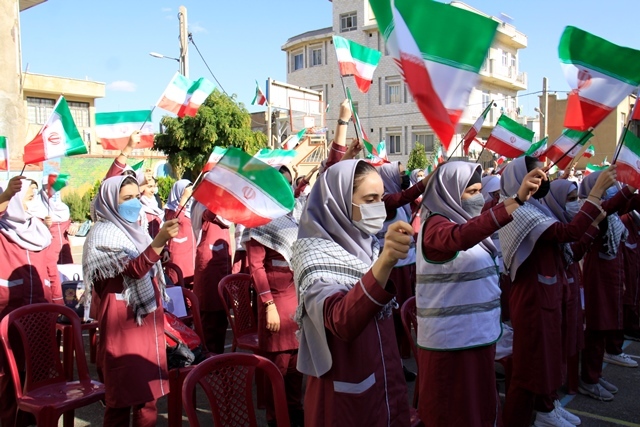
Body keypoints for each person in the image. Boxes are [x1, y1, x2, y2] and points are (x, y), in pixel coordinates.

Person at [416, 161, 543, 426]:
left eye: (479, 191)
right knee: (453, 412)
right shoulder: (435, 226)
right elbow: (460, 237)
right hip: (450, 342)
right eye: (471, 192)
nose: (479, 198)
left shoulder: (463, 219)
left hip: (476, 336)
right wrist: (517, 200)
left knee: (479, 408)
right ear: (449, 192)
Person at [291, 159, 411, 427]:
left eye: (381, 198)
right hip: (346, 396)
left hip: (384, 381)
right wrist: (386, 262)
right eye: (370, 199)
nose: (379, 207)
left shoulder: (368, 245)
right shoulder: (313, 255)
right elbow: (340, 320)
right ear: (339, 202)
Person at [500, 157, 615, 427]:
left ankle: (546, 406)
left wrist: (595, 221)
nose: (541, 181)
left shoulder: (536, 207)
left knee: (546, 357)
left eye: (542, 175)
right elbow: (569, 231)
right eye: (534, 176)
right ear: (518, 180)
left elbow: (570, 247)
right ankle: (516, 419)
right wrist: (596, 193)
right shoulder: (517, 211)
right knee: (530, 365)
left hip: (547, 294)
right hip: (531, 297)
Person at [83, 175, 179, 427]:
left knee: (148, 399)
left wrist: (160, 250)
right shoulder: (102, 234)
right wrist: (158, 242)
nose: (135, 203)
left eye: (137, 197)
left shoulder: (136, 231)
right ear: (109, 202)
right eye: (127, 198)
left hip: (145, 320)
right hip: (121, 326)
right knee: (120, 400)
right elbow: (133, 269)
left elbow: (147, 263)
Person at [0, 176, 59, 426]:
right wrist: (4, 197)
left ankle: (30, 420)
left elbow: (51, 270)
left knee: (37, 377)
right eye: (28, 196)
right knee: (8, 376)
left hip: (40, 317)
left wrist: (59, 305)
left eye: (35, 196)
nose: (34, 202)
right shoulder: (2, 229)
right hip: (8, 315)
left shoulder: (39, 231)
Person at [578, 174, 640, 402]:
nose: (613, 190)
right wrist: (631, 186)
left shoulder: (610, 210)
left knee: (607, 325)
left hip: (612, 272)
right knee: (597, 326)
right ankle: (589, 379)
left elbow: (626, 203)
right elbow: (610, 207)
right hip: (598, 274)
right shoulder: (591, 208)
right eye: (608, 186)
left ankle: (595, 373)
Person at [542, 179, 603, 411]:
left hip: (570, 285)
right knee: (557, 341)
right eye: (570, 200)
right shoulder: (546, 225)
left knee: (573, 334)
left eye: (577, 198)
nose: (575, 204)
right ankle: (550, 401)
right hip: (552, 293)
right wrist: (593, 220)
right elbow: (572, 241)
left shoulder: (562, 220)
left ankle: (569, 387)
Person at [246, 210, 303, 426]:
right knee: (277, 367)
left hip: (297, 297)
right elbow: (256, 267)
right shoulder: (258, 223)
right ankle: (275, 417)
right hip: (276, 300)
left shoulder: (293, 218)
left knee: (297, 365)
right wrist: (268, 304)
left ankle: (295, 412)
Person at [191, 201, 231, 355]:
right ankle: (208, 362)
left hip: (223, 266)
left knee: (221, 315)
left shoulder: (225, 210)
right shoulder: (201, 205)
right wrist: (218, 197)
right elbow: (210, 214)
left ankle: (219, 359)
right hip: (208, 268)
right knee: (209, 316)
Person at [164, 180, 196, 285]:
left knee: (191, 284)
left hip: (192, 253)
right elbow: (176, 220)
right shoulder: (171, 210)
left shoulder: (191, 209)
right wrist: (184, 199)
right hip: (179, 254)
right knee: (178, 282)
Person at [138, 174, 163, 238]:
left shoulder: (156, 202)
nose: (153, 190)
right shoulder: (137, 206)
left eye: (154, 186)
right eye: (149, 187)